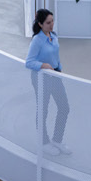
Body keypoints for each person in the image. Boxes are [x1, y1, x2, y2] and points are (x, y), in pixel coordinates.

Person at [25, 8, 70, 155]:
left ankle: (57, 140)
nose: (51, 25)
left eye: (52, 21)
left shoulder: (53, 36)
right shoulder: (37, 41)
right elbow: (29, 62)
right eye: (48, 23)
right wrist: (43, 65)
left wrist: (59, 69)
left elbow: (56, 56)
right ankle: (43, 142)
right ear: (40, 24)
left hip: (55, 76)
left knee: (64, 107)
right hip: (41, 78)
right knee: (43, 110)